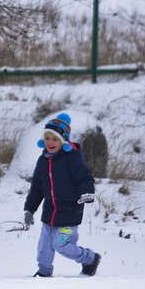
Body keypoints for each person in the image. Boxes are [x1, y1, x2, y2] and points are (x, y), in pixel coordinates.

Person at [23, 113, 101, 277]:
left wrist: (87, 192)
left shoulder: (71, 159)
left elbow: (84, 177)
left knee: (62, 245)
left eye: (55, 139)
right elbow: (37, 187)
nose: (50, 142)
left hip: (69, 212)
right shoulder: (43, 161)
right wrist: (30, 209)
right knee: (44, 247)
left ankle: (90, 259)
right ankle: (44, 271)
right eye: (47, 138)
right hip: (49, 213)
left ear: (63, 140)